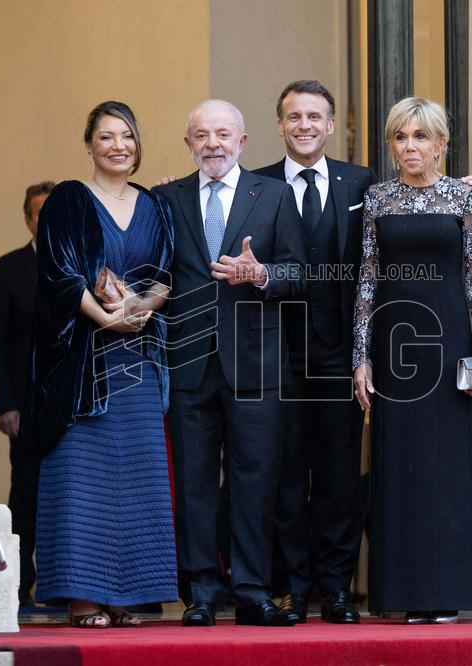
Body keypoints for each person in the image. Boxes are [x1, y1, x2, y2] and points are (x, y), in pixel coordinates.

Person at [153, 99, 306, 627]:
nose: (212, 143)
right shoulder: (165, 199)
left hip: (257, 363)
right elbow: (154, 272)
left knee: (255, 480)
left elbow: (298, 274)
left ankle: (252, 591)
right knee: (194, 483)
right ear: (189, 143)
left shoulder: (276, 196)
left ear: (242, 142)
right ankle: (200, 593)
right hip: (189, 361)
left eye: (222, 134)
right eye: (201, 134)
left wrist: (261, 275)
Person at [28, 101, 177, 628]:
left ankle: (126, 594)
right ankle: (83, 597)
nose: (119, 146)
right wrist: (106, 318)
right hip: (82, 365)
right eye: (107, 136)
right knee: (82, 477)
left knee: (136, 477)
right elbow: (60, 275)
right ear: (89, 143)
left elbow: (165, 275)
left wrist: (141, 307)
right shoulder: (69, 200)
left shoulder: (156, 206)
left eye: (128, 136)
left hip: (138, 360)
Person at [352, 97, 472, 624]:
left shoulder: (464, 197)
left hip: (449, 338)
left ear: (440, 144)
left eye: (420, 137)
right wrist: (360, 358)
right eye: (400, 137)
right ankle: (403, 593)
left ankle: (444, 591)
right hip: (394, 343)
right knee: (397, 465)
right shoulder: (377, 199)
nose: (410, 146)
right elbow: (366, 279)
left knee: (445, 466)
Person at [252, 80, 375, 624]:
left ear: (330, 125)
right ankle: (291, 589)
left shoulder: (363, 182)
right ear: (280, 126)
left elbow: (408, 209)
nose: (304, 125)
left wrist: (459, 190)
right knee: (283, 476)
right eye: (293, 116)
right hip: (276, 354)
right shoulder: (252, 186)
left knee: (340, 477)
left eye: (314, 117)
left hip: (341, 354)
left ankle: (338, 587)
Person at [0, 180, 53, 607]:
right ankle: (21, 584)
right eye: (40, 215)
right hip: (24, 406)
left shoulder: (81, 265)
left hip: (73, 404)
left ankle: (63, 583)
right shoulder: (6, 268)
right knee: (25, 495)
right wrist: (5, 404)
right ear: (28, 220)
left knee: (68, 495)